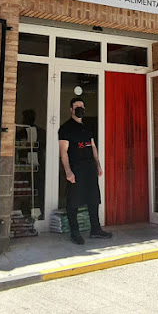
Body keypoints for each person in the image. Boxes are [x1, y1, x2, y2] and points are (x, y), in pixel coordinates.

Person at [58, 97, 112, 244]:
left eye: (82, 106)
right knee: (73, 201)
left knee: (93, 199)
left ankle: (96, 229)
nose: (80, 109)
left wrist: (98, 165)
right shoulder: (65, 128)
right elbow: (63, 152)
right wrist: (68, 171)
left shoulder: (88, 127)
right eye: (77, 107)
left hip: (90, 168)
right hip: (76, 168)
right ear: (71, 110)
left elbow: (92, 146)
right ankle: (74, 233)